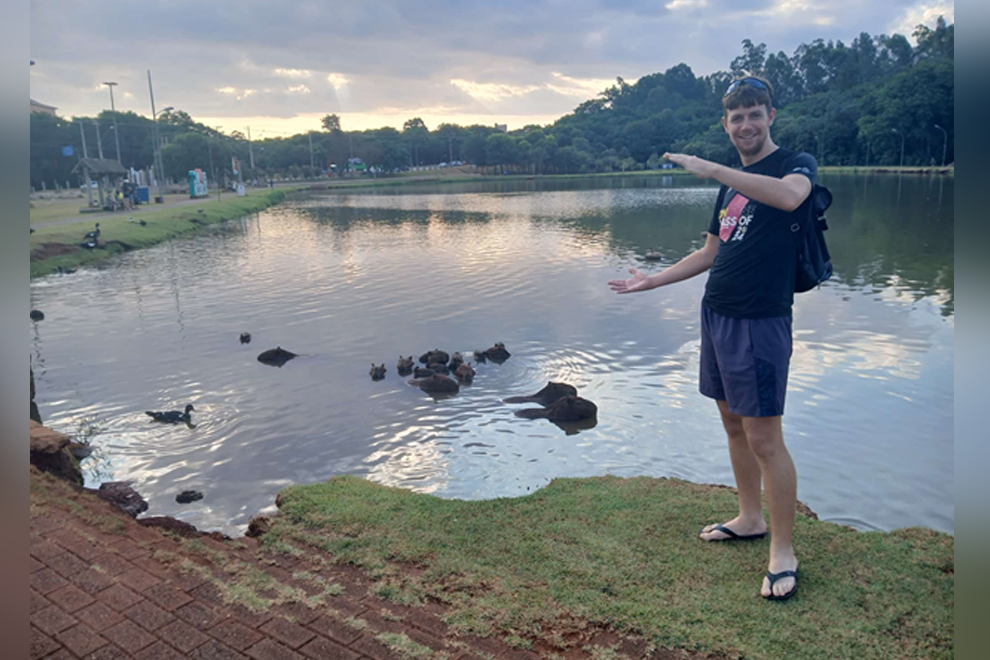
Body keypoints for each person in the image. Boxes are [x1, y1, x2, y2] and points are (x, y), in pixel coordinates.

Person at [608, 74, 816, 601]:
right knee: (732, 424)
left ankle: (784, 552)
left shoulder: (795, 166)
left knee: (766, 437)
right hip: (717, 315)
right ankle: (750, 517)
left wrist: (710, 167)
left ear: (771, 116)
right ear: (726, 125)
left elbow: (792, 200)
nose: (745, 124)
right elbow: (710, 254)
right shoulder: (730, 189)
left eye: (754, 113)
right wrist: (651, 280)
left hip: (761, 320)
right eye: (736, 117)